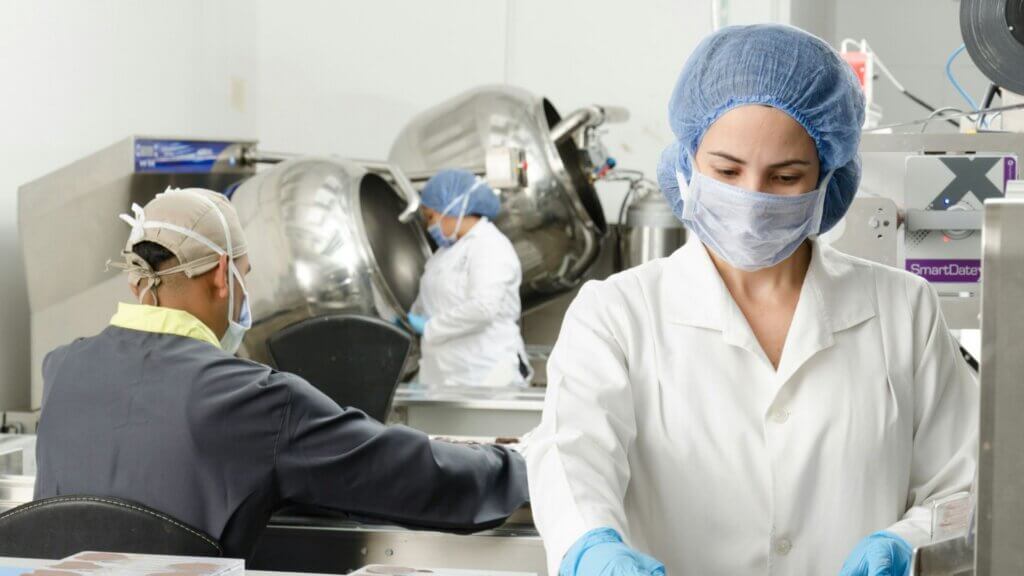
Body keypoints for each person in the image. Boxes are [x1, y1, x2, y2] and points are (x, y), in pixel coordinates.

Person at [525, 24, 977, 576]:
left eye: (786, 176)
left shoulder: (904, 310)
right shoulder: (617, 314)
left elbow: (962, 485)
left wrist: (908, 546)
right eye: (726, 170)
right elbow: (572, 464)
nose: (752, 198)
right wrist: (590, 546)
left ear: (828, 178)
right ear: (688, 161)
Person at [34, 187, 529, 558]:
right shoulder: (251, 400)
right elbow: (411, 475)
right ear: (221, 276)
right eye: (245, 277)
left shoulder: (61, 370)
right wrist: (525, 466)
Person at [407, 169, 531, 388]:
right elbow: (432, 298)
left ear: (452, 207)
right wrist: (409, 317)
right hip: (444, 377)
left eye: (431, 217)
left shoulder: (490, 245)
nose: (429, 226)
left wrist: (430, 327)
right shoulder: (444, 253)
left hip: (486, 375)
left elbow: (484, 307)